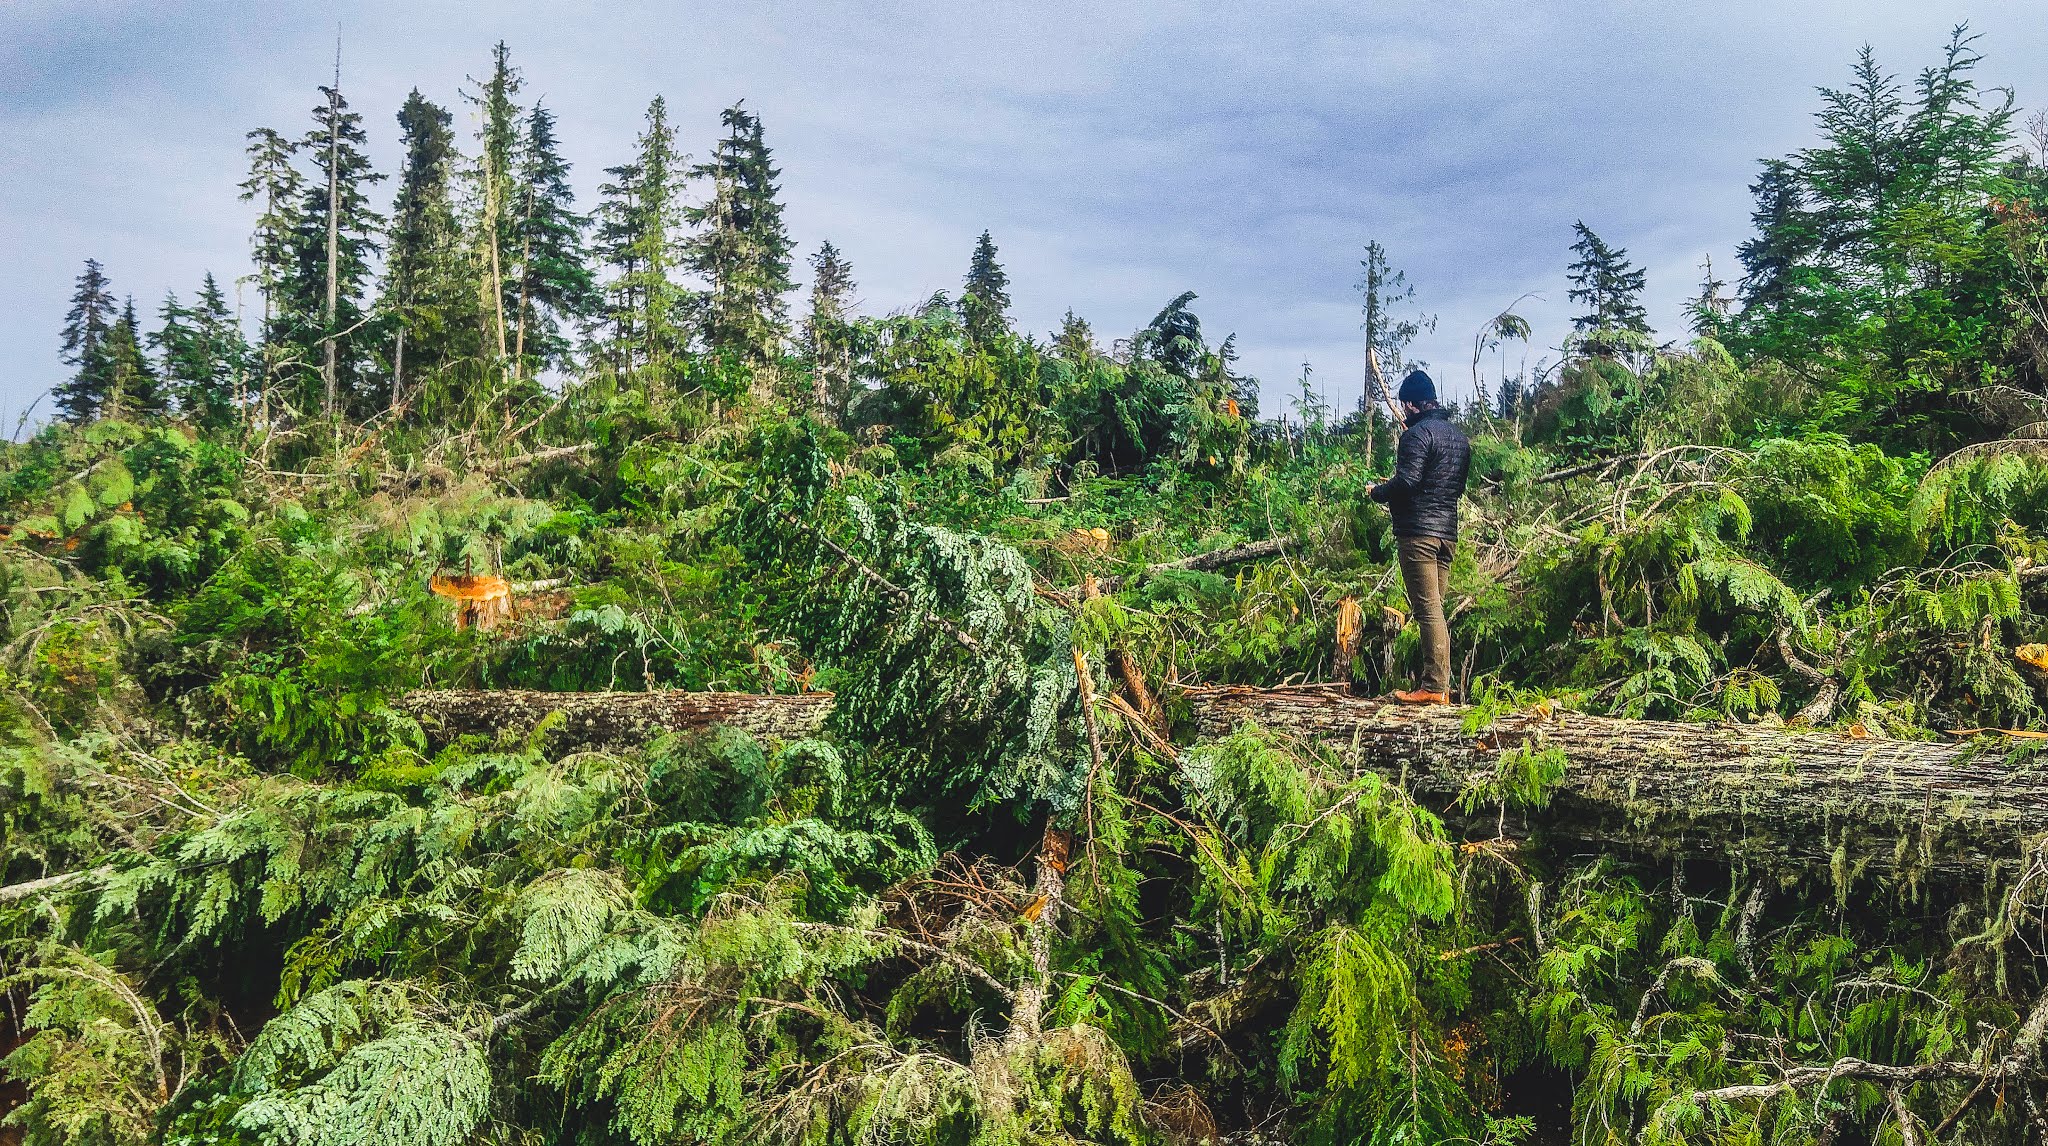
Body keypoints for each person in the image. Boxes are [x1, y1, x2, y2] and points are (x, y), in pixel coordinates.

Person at [1367, 369, 1471, 704]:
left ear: (1410, 405)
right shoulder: (1458, 438)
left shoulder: (1416, 436)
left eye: (1403, 405)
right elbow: (1456, 488)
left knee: (1427, 610)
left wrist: (1377, 492)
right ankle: (1437, 685)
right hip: (1447, 534)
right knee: (1435, 609)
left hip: (1419, 535)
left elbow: (1408, 482)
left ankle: (1434, 687)